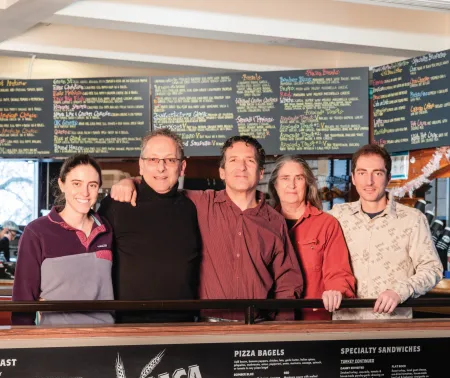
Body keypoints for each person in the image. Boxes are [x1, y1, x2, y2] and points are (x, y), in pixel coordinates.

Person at [111, 133, 303, 320]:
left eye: (250, 161)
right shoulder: (201, 203)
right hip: (209, 328)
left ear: (261, 172)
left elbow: (287, 280)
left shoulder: (275, 221)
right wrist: (130, 181)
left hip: (257, 326)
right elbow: (162, 185)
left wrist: (281, 326)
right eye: (233, 160)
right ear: (221, 171)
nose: (241, 167)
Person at [98, 129, 201, 323]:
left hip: (184, 327)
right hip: (128, 327)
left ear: (182, 166)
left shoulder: (193, 207)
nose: (161, 168)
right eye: (153, 160)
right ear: (141, 165)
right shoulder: (117, 204)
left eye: (170, 160)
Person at [330, 143, 443, 319]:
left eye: (377, 173)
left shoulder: (412, 219)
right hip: (346, 326)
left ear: (388, 177)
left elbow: (432, 269)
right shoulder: (336, 217)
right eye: (362, 173)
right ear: (353, 177)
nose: (369, 181)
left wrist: (400, 291)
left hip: (393, 327)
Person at [12, 154, 114, 326]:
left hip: (104, 337)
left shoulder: (107, 230)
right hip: (56, 340)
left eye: (92, 185)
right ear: (62, 184)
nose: (85, 192)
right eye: (77, 183)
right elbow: (23, 297)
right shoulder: (36, 232)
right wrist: (23, 342)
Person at [268, 155, 355, 320]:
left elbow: (338, 273)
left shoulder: (327, 224)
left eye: (298, 178)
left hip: (314, 319)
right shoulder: (263, 224)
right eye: (285, 178)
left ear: (307, 184)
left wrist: (337, 291)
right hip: (272, 320)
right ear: (275, 184)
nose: (292, 185)